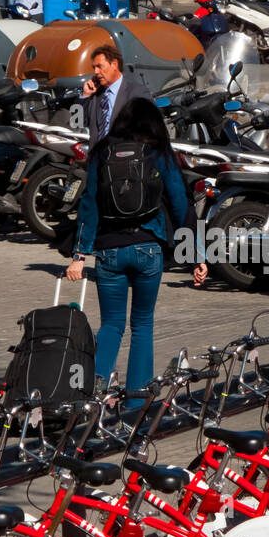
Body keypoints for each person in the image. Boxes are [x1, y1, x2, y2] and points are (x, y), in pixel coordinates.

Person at [66, 96, 207, 401]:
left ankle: (93, 387)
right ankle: (137, 397)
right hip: (148, 248)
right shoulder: (158, 153)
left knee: (112, 324)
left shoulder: (102, 152)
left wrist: (79, 255)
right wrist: (195, 254)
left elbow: (88, 205)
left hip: (108, 251)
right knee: (142, 324)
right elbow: (180, 203)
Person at [81, 41, 153, 148]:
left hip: (123, 159)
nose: (96, 71)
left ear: (114, 64)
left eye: (99, 66)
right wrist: (85, 95)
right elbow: (76, 123)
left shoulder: (136, 92)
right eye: (94, 67)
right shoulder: (95, 95)